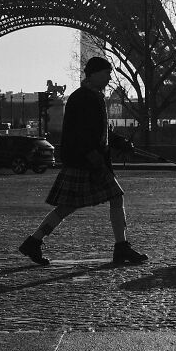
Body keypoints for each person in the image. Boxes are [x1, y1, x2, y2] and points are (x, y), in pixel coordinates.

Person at [19, 56, 148, 266]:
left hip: (85, 160)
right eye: (106, 73)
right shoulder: (86, 98)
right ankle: (121, 247)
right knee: (113, 198)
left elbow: (98, 132)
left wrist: (120, 143)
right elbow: (85, 133)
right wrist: (99, 153)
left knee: (68, 207)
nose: (109, 78)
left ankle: (34, 241)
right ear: (94, 73)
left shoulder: (87, 96)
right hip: (89, 161)